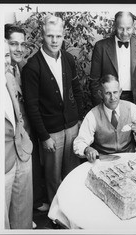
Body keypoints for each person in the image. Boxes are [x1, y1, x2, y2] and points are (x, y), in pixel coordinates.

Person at [21, 15, 84, 203]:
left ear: (63, 35)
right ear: (42, 36)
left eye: (58, 36)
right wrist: (44, 136)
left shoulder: (68, 59)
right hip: (51, 133)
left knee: (72, 172)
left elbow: (77, 89)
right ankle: (56, 214)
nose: (54, 40)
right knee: (53, 178)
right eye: (50, 36)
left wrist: (79, 118)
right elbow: (32, 107)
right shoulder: (32, 67)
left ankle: (72, 207)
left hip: (72, 126)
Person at [5, 24, 49, 213]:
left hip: (27, 133)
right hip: (10, 140)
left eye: (22, 45)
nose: (19, 49)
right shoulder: (1, 72)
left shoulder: (23, 67)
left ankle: (32, 208)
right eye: (14, 44)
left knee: (25, 185)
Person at [74, 74, 136, 162]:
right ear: (100, 94)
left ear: (120, 92)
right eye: (108, 93)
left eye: (115, 92)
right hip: (104, 161)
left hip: (129, 159)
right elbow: (79, 143)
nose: (112, 97)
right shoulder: (93, 115)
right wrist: (87, 149)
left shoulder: (131, 108)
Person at [90, 11, 136, 110]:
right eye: (121, 28)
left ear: (133, 26)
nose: (125, 33)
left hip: (134, 101)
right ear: (115, 26)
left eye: (128, 28)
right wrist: (100, 107)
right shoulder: (101, 47)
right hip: (108, 99)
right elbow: (94, 81)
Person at [4, 40, 33, 229]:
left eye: (6, 56)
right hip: (2, 162)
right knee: (1, 218)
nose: (6, 61)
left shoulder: (9, 76)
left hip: (21, 151)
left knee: (22, 212)